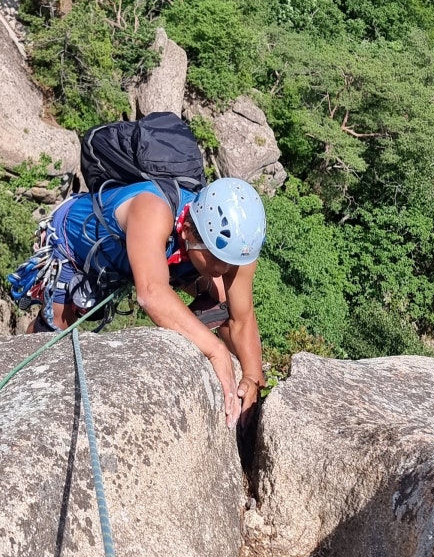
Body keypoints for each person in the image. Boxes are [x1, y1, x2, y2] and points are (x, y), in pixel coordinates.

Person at [17, 176, 267, 429]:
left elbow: (242, 317)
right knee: (54, 331)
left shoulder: (237, 248)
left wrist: (252, 377)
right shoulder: (152, 209)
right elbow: (151, 294)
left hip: (139, 258)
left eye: (229, 262)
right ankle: (18, 377)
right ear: (189, 230)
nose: (223, 269)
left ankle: (187, 326)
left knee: (223, 300)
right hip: (72, 246)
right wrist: (216, 350)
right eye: (216, 258)